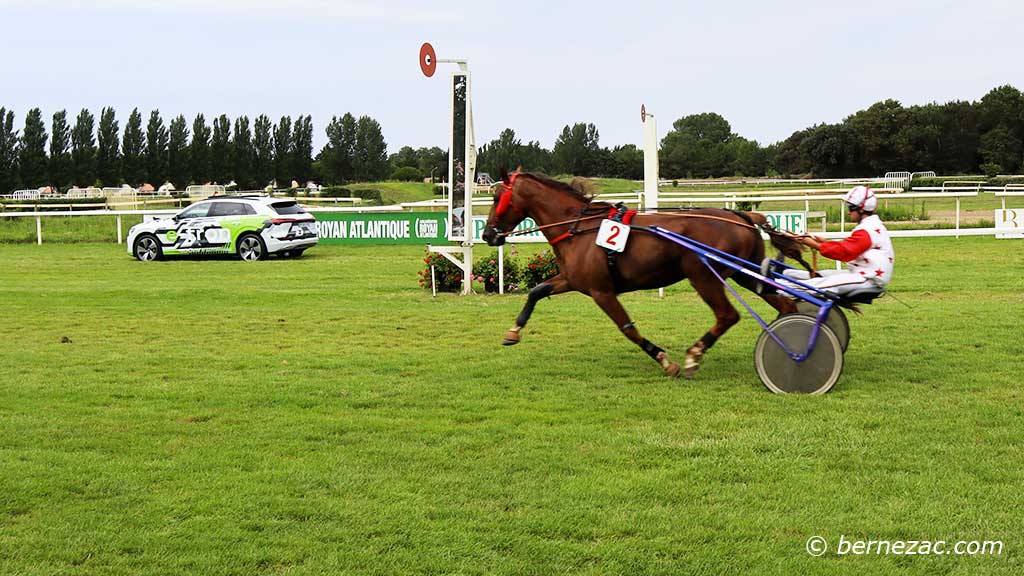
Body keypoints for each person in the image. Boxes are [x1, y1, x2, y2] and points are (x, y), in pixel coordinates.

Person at [782, 186, 894, 297]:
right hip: (862, 274)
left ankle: (777, 287)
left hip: (868, 279)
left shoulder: (867, 230)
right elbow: (849, 246)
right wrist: (824, 242)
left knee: (818, 284)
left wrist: (812, 243)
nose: (848, 212)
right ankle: (784, 273)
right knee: (821, 275)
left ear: (861, 209)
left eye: (850, 208)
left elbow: (843, 252)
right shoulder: (871, 226)